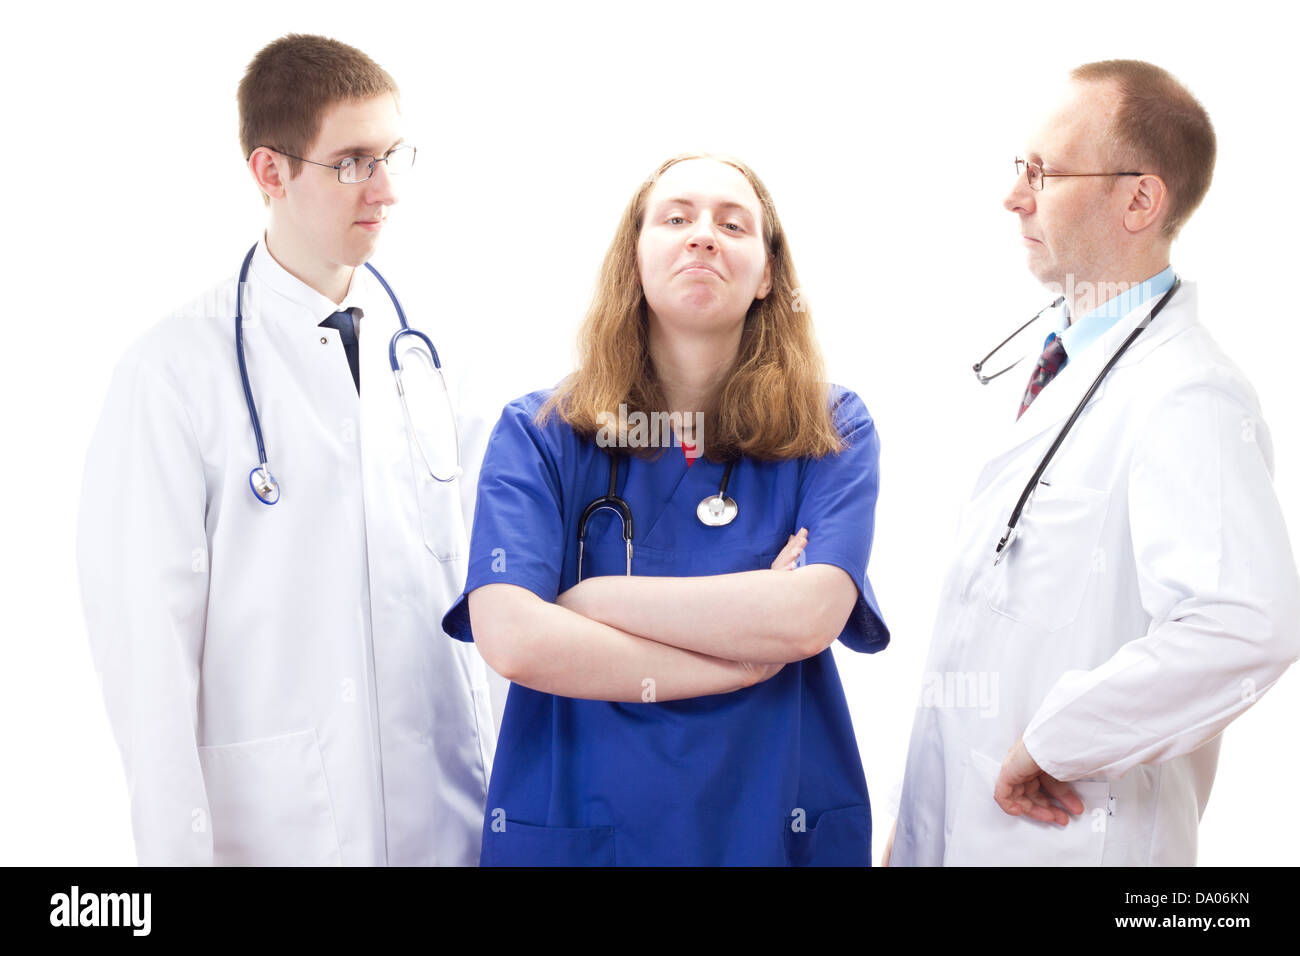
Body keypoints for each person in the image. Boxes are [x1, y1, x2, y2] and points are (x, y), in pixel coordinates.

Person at [75, 34, 497, 866]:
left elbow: (500, 589)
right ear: (270, 172)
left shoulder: (436, 355)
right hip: (281, 830)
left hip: (451, 818)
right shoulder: (170, 373)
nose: (385, 191)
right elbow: (145, 660)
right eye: (352, 163)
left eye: (392, 156)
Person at [888, 60, 1300, 867]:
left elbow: (1248, 623)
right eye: (1020, 169)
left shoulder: (1190, 391)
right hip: (960, 832)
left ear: (1140, 199)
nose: (1014, 197)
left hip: (1071, 838)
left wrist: (1057, 741)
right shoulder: (1069, 368)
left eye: (1042, 172)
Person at [441, 153, 889, 866]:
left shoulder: (830, 427)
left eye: (733, 224)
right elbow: (515, 640)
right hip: (584, 826)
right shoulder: (540, 433)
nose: (703, 235)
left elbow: (809, 616)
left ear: (769, 273)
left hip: (772, 821)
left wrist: (590, 598)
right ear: (635, 258)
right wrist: (742, 661)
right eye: (676, 218)